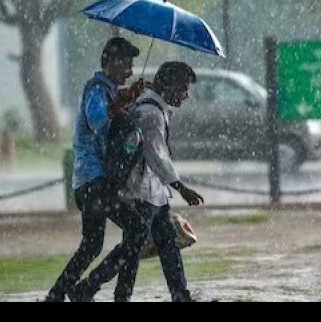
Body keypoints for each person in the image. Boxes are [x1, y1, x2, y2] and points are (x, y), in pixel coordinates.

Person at [68, 61, 204, 303]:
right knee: (133, 247)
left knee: (165, 243)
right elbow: (157, 155)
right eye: (183, 88)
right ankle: (90, 288)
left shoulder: (149, 107)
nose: (186, 95)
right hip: (141, 190)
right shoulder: (151, 114)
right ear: (168, 85)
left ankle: (178, 295)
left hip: (153, 191)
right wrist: (181, 188)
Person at [43, 36, 146, 302]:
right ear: (111, 62)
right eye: (126, 64)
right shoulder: (96, 89)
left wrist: (128, 98)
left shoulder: (109, 90)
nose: (130, 70)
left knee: (91, 246)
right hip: (93, 181)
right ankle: (88, 288)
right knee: (136, 229)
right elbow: (99, 120)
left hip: (94, 183)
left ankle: (58, 294)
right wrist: (120, 102)